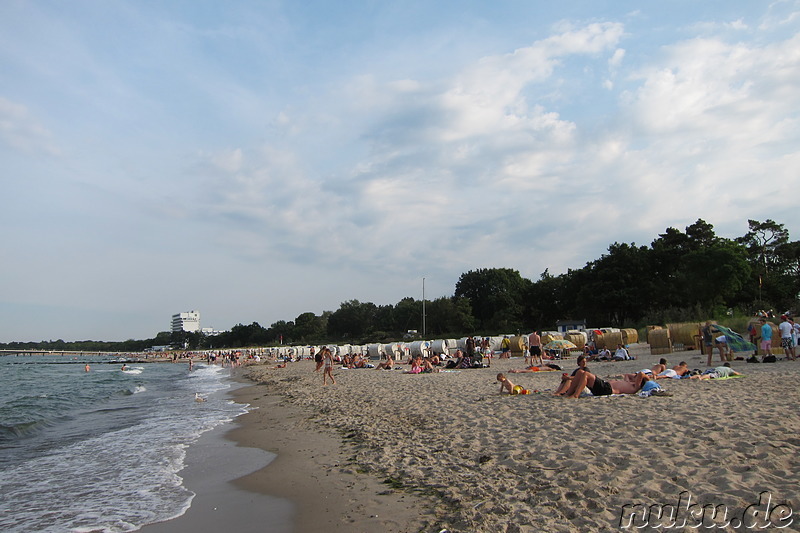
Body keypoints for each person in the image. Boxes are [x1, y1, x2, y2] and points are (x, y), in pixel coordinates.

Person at [559, 370, 650, 398]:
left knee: (586, 374)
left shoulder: (635, 387)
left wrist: (645, 378)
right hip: (604, 386)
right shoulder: (629, 382)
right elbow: (627, 375)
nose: (634, 376)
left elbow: (641, 374)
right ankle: (568, 394)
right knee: (579, 372)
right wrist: (634, 377)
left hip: (607, 389)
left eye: (636, 377)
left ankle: (576, 395)